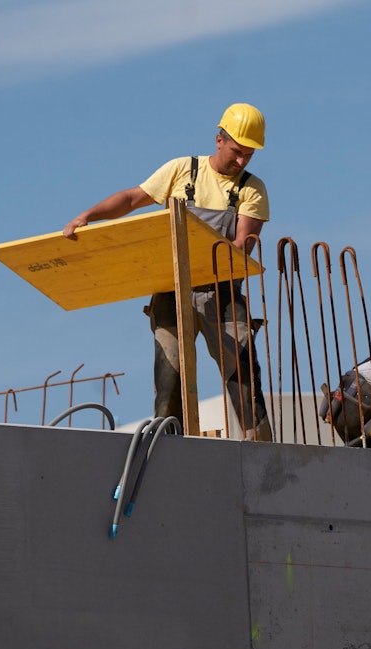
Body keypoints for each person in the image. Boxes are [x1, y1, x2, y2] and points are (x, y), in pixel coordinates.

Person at [62, 103, 272, 440]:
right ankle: (172, 450)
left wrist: (205, 259)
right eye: (237, 152)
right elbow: (132, 199)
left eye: (248, 155)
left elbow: (242, 245)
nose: (242, 161)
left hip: (221, 292)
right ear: (219, 140)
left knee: (244, 375)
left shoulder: (251, 188)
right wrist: (88, 216)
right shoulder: (182, 170)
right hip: (172, 290)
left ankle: (260, 449)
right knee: (169, 378)